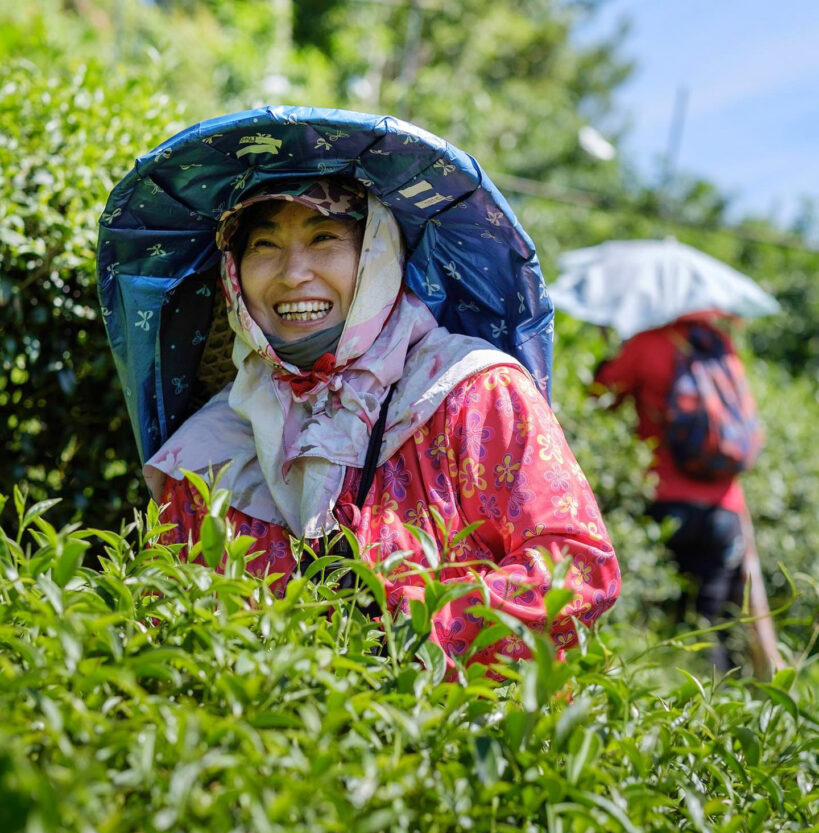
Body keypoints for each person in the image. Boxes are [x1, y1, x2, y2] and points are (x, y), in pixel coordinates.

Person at [102, 111, 620, 670]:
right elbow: (166, 627)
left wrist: (408, 635)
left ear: (378, 254)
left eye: (324, 238)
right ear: (234, 271)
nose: (293, 273)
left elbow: (577, 567)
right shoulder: (209, 454)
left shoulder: (472, 394)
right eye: (264, 246)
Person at [592, 314, 754, 671]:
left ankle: (668, 703)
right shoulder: (719, 345)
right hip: (726, 509)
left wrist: (606, 357)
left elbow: (601, 397)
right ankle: (723, 707)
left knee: (664, 626)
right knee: (712, 624)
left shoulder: (646, 344)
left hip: (667, 502)